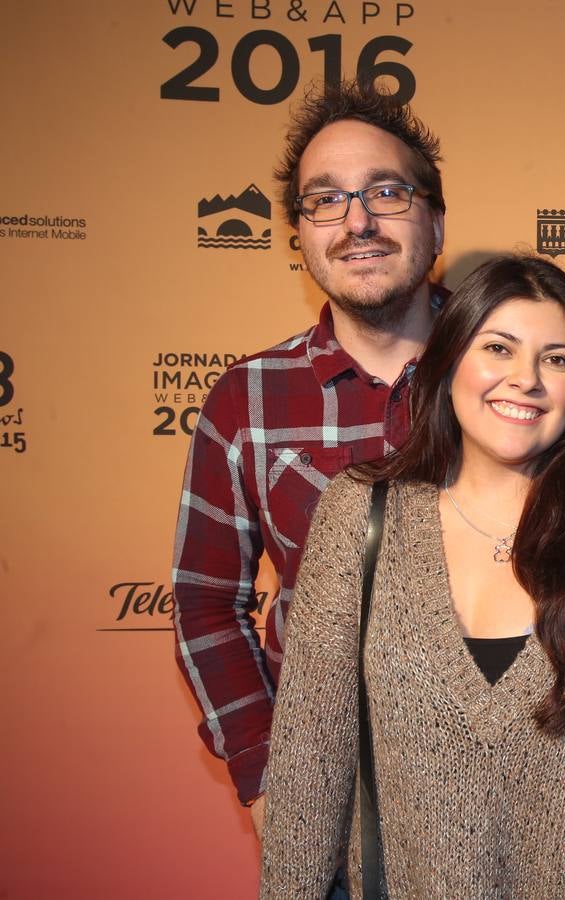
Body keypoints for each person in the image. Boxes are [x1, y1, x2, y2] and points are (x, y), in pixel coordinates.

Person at [259, 254, 565, 898]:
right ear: (451, 360)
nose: (526, 380)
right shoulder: (361, 514)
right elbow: (309, 761)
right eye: (499, 348)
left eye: (558, 359)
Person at [171, 80, 447, 843]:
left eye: (385, 192)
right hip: (331, 813)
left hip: (508, 811)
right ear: (300, 233)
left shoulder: (520, 379)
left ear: (435, 217)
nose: (357, 221)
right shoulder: (247, 400)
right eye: (325, 200)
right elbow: (204, 605)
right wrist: (266, 779)